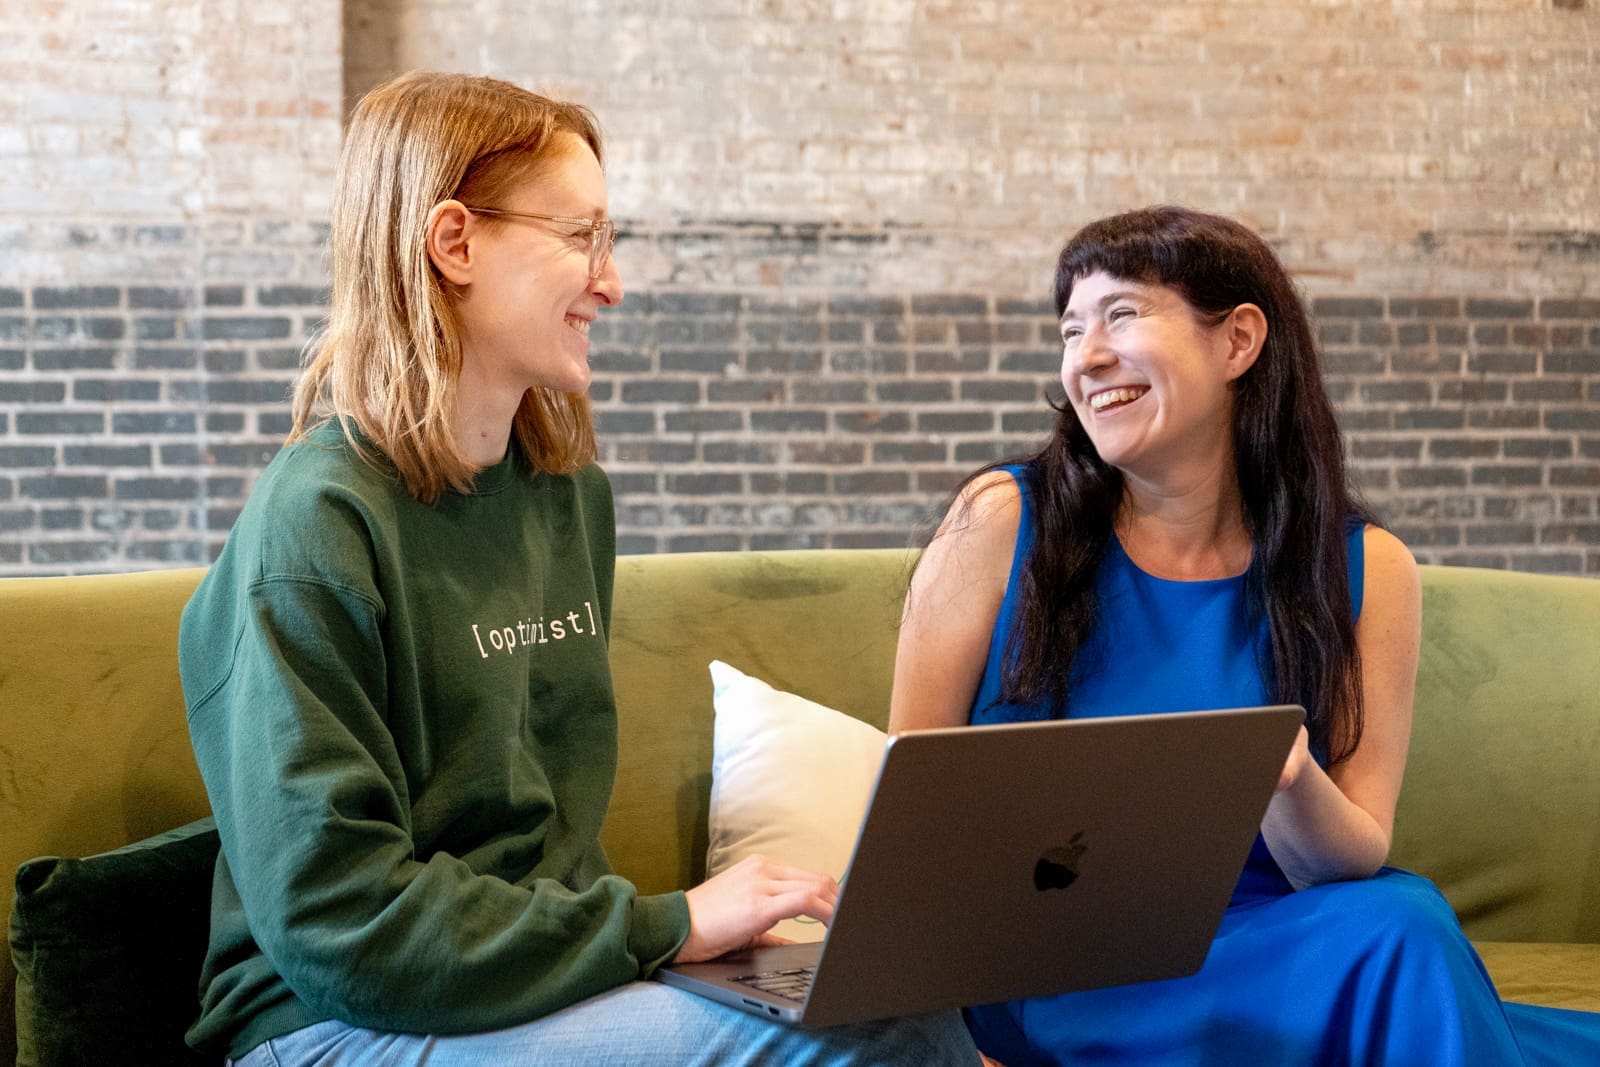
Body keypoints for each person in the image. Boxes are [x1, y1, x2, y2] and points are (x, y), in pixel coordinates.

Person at [178, 71, 979, 1067]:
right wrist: (667, 926)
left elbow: (545, 847)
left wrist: (679, 949)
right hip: (328, 1021)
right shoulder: (315, 525)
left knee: (914, 1008)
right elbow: (344, 928)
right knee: (871, 1037)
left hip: (528, 984)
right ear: (454, 242)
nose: (612, 282)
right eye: (581, 237)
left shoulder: (564, 495)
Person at [891, 206, 1600, 1066]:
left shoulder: (1367, 569)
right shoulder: (1001, 522)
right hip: (1052, 970)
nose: (1087, 357)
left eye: (1121, 315)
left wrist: (1288, 773)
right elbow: (907, 826)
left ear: (1238, 342)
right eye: (1071, 330)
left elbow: (1344, 861)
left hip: (1276, 946)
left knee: (1400, 921)